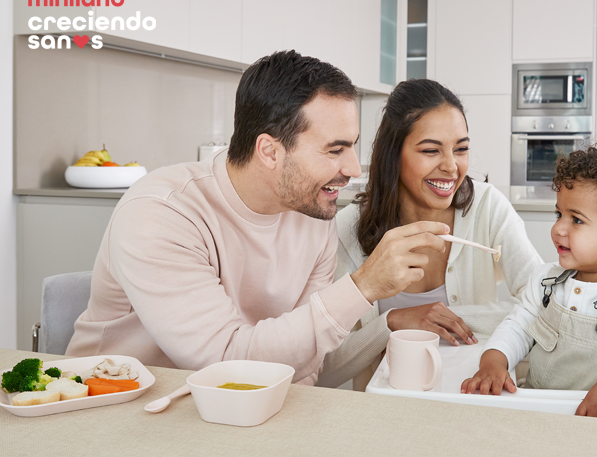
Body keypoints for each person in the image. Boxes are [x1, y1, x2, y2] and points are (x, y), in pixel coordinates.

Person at [66, 51, 451, 386]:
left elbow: (308, 359)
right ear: (269, 151)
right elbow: (226, 364)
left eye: (351, 146)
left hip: (239, 411)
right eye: (335, 150)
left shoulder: (313, 213)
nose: (352, 167)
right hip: (115, 406)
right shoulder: (161, 213)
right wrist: (362, 286)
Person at [318, 79, 543, 389]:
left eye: (461, 149)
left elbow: (546, 304)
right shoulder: (348, 230)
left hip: (473, 398)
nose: (451, 166)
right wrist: (392, 322)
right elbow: (323, 370)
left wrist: (442, 318)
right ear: (393, 155)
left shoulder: (488, 208)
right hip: (386, 410)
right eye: (430, 150)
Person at [460, 145, 597, 420]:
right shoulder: (544, 280)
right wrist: (493, 361)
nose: (558, 228)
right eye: (558, 214)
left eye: (576, 219)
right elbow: (517, 327)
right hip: (538, 410)